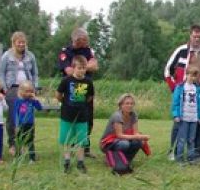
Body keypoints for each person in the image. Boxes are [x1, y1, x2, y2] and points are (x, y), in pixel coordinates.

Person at [164, 24, 200, 157]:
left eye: (199, 37)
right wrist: (175, 87)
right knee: (178, 122)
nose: (197, 39)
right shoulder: (181, 50)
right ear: (190, 36)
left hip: (198, 91)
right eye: (194, 36)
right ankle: (173, 150)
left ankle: (196, 151)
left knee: (197, 122)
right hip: (183, 90)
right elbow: (168, 69)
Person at [57, 28, 99, 159]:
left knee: (87, 120)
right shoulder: (65, 52)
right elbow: (69, 71)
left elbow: (95, 66)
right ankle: (70, 148)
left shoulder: (88, 50)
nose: (87, 42)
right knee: (70, 122)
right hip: (71, 91)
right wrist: (86, 66)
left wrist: (79, 68)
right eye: (85, 40)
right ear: (77, 40)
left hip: (86, 89)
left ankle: (85, 148)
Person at [0, 31, 39, 155]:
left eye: (23, 42)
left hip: (27, 88)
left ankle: (27, 143)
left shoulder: (30, 56)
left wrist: (35, 87)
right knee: (13, 117)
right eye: (19, 42)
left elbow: (35, 73)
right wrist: (4, 88)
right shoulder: (7, 56)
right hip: (13, 88)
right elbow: (1, 73)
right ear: (13, 43)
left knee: (27, 117)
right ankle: (12, 143)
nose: (21, 44)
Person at [57, 55, 95, 174]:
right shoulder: (66, 80)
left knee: (81, 140)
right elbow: (58, 94)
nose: (82, 70)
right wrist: (65, 103)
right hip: (67, 115)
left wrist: (82, 104)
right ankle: (67, 161)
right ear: (73, 68)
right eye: (79, 68)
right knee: (66, 139)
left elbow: (90, 96)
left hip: (82, 116)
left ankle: (80, 162)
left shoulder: (88, 82)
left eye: (84, 68)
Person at [101, 93, 149, 173]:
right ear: (121, 105)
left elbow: (135, 133)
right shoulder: (117, 116)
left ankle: (126, 161)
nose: (130, 105)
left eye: (131, 103)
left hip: (123, 139)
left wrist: (141, 138)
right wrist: (140, 137)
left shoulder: (134, 114)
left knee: (138, 142)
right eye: (127, 103)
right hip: (108, 142)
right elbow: (119, 135)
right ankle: (112, 158)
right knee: (124, 144)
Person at [172, 65, 200, 164]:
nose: (193, 78)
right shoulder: (180, 87)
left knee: (191, 139)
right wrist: (176, 115)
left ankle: (191, 158)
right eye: (191, 75)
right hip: (183, 118)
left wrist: (199, 117)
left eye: (195, 76)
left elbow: (199, 104)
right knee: (182, 139)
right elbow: (175, 103)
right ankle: (179, 158)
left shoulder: (197, 88)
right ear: (187, 74)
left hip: (194, 118)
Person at [12, 81, 43, 161]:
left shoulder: (32, 101)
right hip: (21, 124)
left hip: (30, 124)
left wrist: (35, 99)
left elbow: (40, 108)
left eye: (31, 91)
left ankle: (32, 158)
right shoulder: (18, 101)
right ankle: (18, 156)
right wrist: (16, 125)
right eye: (27, 91)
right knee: (19, 140)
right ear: (21, 92)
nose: (29, 93)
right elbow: (15, 113)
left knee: (30, 141)